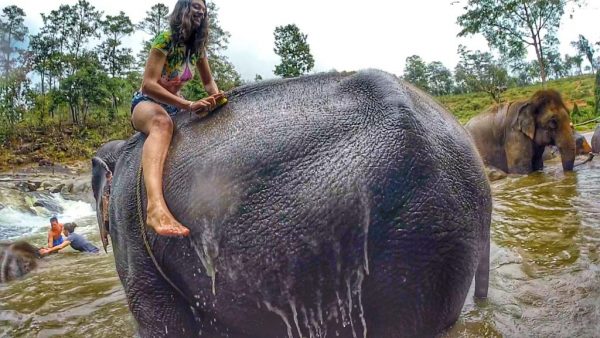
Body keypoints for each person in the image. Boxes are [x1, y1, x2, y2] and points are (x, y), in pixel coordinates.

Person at [131, 0, 225, 237]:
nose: (200, 10)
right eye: (195, 5)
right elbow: (148, 85)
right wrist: (188, 105)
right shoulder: (165, 39)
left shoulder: (198, 48)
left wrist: (218, 100)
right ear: (183, 8)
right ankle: (154, 207)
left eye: (203, 8)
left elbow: (207, 83)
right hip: (148, 104)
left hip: (177, 107)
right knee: (162, 124)